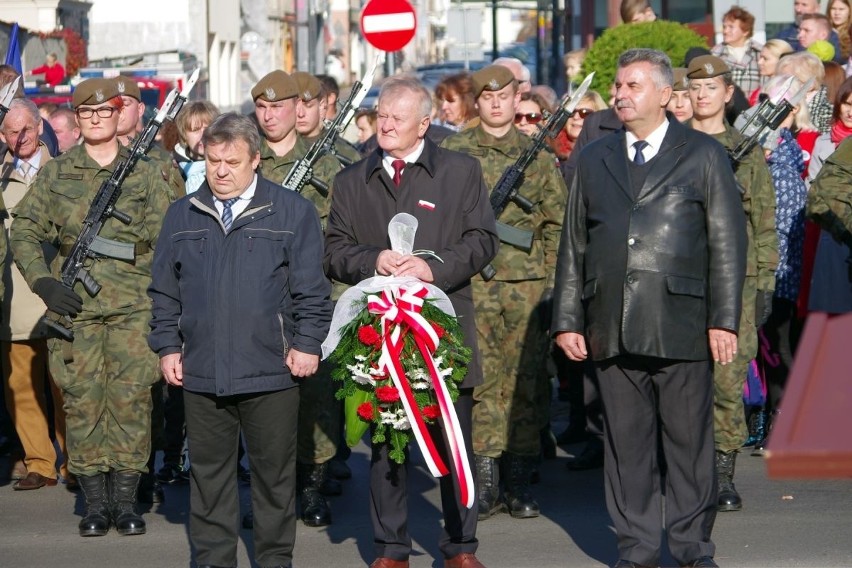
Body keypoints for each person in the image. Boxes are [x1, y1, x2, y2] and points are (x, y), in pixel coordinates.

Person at [552, 48, 747, 568]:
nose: (620, 94)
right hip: (610, 323)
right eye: (618, 85)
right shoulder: (592, 158)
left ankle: (690, 549)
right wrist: (568, 319)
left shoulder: (704, 154)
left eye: (633, 85)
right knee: (625, 447)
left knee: (688, 446)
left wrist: (723, 320)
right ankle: (636, 549)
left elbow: (728, 244)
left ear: (665, 95)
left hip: (681, 322)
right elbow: (573, 245)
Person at [324, 75, 498, 568]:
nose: (386, 125)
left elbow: (482, 239)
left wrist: (433, 268)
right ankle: (391, 549)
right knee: (388, 443)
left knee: (453, 439)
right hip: (379, 335)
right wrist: (372, 259)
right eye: (381, 116)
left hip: (442, 331)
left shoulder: (460, 172)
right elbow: (333, 250)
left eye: (397, 118)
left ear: (424, 123)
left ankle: (461, 547)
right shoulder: (352, 180)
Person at [148, 110, 332, 568]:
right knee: (209, 479)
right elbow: (164, 291)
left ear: (256, 160)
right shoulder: (183, 214)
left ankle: (274, 560)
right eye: (212, 162)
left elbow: (312, 288)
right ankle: (213, 560)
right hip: (203, 370)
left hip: (272, 370)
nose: (221, 172)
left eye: (231, 162)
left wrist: (307, 342)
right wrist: (169, 346)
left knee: (273, 479)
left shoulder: (291, 211)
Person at [10, 77, 173, 537]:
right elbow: (23, 229)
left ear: (119, 113)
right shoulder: (58, 174)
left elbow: (171, 241)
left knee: (132, 402)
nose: (97, 119)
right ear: (76, 120)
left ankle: (126, 502)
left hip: (134, 306)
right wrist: (42, 280)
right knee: (82, 401)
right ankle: (94, 504)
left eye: (105, 112)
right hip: (75, 307)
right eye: (87, 113)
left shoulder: (144, 172)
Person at [441, 65, 567, 522]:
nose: (495, 103)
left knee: (525, 383)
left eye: (504, 95)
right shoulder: (452, 151)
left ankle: (518, 480)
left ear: (518, 99)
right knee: (476, 383)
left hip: (526, 287)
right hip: (469, 285)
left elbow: (557, 223)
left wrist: (553, 283)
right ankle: (484, 480)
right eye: (487, 97)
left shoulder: (537, 154)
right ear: (477, 101)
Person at [251, 69, 345, 528]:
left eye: (278, 107)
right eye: (262, 108)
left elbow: (344, 236)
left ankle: (311, 489)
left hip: (309, 297)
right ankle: (271, 496)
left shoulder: (328, 166)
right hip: (256, 301)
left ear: (297, 108)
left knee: (316, 397)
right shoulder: (246, 160)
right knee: (260, 401)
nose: (270, 116)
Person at [686, 55, 778, 512]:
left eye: (711, 87)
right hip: (680, 284)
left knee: (726, 380)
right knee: (682, 380)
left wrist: (764, 284)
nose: (702, 95)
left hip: (734, 285)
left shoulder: (747, 149)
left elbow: (763, 223)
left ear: (727, 93)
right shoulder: (674, 146)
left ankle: (722, 475)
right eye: (695, 88)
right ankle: (683, 472)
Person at [0, 98, 70, 491]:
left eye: (26, 129)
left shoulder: (63, 170)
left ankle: (75, 462)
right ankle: (39, 463)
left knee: (64, 384)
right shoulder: (0, 175)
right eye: (11, 132)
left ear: (40, 127)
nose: (21, 138)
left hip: (58, 290)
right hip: (14, 296)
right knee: (23, 387)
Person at [292, 71, 361, 166]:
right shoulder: (272, 148)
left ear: (322, 106)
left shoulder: (346, 154)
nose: (300, 114)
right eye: (294, 106)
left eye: (308, 105)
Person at [711, 6, 763, 95]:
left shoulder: (760, 53)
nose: (725, 31)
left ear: (745, 31)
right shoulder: (715, 54)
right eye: (724, 26)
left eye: (731, 27)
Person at [778, 51, 833, 134]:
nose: (781, 85)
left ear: (809, 83)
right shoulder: (779, 102)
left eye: (788, 80)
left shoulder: (825, 109)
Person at [173, 100, 220, 195]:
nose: (203, 135)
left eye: (207, 129)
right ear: (184, 136)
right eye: (195, 130)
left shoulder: (227, 166)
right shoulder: (173, 170)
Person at [776, 0, 843, 58]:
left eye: (804, 5)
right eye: (796, 4)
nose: (798, 9)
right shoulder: (783, 35)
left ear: (817, 8)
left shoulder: (833, 38)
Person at [752, 39, 795, 104]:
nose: (759, 62)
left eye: (765, 59)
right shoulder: (760, 90)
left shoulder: (786, 90)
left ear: (781, 60)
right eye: (760, 57)